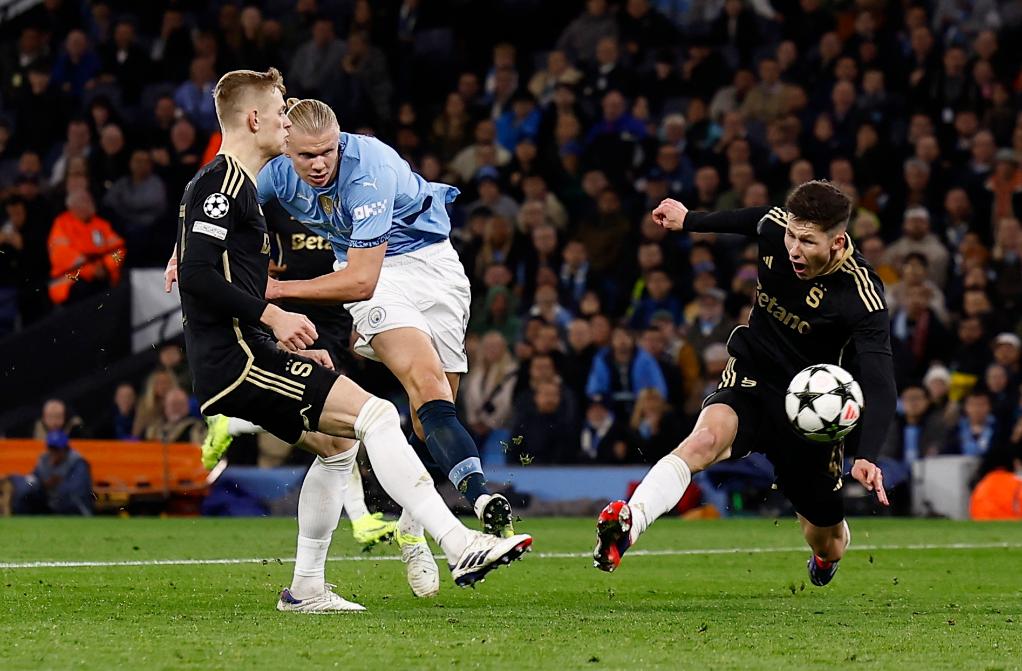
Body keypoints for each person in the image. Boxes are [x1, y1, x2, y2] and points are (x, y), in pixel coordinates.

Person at [172, 68, 531, 613]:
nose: (287, 122)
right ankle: (460, 543)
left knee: (342, 448)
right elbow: (201, 273)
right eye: (280, 112)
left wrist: (273, 327)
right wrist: (272, 313)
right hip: (239, 359)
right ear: (255, 119)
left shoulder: (247, 181)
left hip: (265, 346)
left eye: (325, 149)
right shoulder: (227, 184)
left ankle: (307, 590)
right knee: (379, 417)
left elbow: (205, 257)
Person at [253, 100, 517, 573]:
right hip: (377, 276)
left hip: (431, 265)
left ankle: (411, 527)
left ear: (339, 141)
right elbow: (224, 208)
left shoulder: (367, 171)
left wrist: (277, 290)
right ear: (287, 149)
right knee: (424, 381)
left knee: (431, 413)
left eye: (327, 151)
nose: (319, 164)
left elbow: (359, 282)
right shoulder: (275, 175)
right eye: (306, 155)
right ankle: (480, 499)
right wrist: (182, 252)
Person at [594, 181, 895, 588]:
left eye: (807, 241)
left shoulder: (861, 294)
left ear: (837, 242)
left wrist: (867, 454)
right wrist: (690, 220)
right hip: (754, 374)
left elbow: (880, 382)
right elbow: (753, 218)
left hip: (811, 413)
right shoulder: (776, 228)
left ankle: (824, 558)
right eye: (791, 235)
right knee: (702, 442)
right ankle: (630, 526)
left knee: (828, 542)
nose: (794, 249)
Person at [191, 197, 399, 554]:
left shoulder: (351, 206)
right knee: (338, 419)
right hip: (292, 318)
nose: (318, 171)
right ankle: (361, 518)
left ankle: (233, 424)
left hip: (334, 320)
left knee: (330, 423)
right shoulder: (277, 202)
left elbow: (364, 268)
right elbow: (226, 237)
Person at [10, 431, 93, 515]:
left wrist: (56, 484)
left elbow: (76, 489)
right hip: (49, 502)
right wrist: (35, 485)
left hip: (73, 506)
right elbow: (33, 479)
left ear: (65, 448)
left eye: (56, 449)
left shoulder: (78, 462)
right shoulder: (44, 460)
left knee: (67, 497)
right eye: (51, 448)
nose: (53, 451)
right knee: (25, 494)